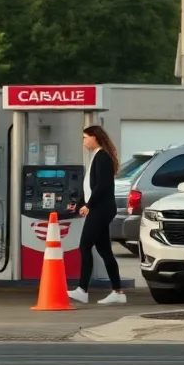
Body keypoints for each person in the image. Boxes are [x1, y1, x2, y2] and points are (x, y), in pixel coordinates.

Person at [67, 125, 127, 305]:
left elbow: (102, 186)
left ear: (95, 137)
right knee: (105, 251)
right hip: (99, 208)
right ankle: (118, 292)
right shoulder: (96, 156)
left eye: (85, 137)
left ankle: (82, 290)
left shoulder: (102, 157)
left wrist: (89, 205)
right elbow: (89, 186)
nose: (83, 141)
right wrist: (79, 204)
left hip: (101, 209)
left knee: (84, 246)